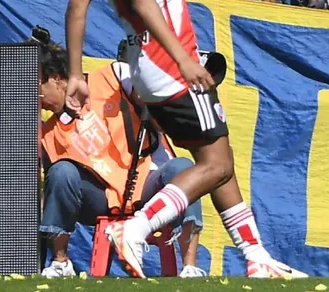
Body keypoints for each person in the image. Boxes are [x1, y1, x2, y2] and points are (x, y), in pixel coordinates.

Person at [65, 0, 304, 279]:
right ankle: (137, 228)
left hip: (140, 65)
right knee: (216, 165)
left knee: (217, 159)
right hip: (169, 61)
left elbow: (78, 6)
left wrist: (74, 72)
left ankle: (256, 258)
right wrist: (184, 60)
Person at [35, 28, 207, 279]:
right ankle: (61, 263)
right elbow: (52, 189)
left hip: (148, 184)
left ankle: (190, 267)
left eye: (36, 86)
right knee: (61, 172)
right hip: (99, 198)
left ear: (56, 78)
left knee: (183, 168)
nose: (36, 97)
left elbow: (153, 99)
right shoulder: (47, 131)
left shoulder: (113, 76)